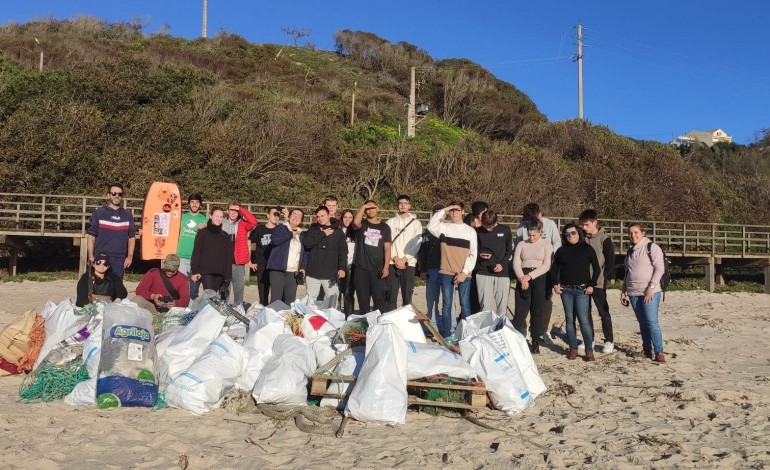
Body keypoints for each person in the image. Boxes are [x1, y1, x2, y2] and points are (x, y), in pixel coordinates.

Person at [551, 223, 600, 361]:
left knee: (583, 320)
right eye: (567, 234)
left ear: (579, 233)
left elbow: (597, 268)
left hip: (582, 290)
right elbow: (554, 269)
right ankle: (573, 349)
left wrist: (592, 285)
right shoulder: (561, 251)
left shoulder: (587, 249)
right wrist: (555, 284)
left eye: (573, 233)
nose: (570, 236)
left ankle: (589, 351)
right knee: (569, 319)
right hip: (566, 290)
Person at [427, 202, 478, 337]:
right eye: (452, 211)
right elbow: (431, 225)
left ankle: (466, 335)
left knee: (465, 305)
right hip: (446, 272)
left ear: (463, 212)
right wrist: (445, 209)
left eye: (457, 210)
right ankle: (446, 335)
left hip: (464, 273)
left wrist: (464, 272)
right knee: (447, 305)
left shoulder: (470, 231)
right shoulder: (444, 228)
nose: (454, 213)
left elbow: (473, 253)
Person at [515, 202, 561, 342]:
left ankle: (543, 330)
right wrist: (522, 276)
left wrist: (552, 259)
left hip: (545, 267)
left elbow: (557, 242)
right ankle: (523, 329)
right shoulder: (522, 227)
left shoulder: (550, 224)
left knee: (543, 302)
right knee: (523, 303)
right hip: (525, 267)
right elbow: (518, 245)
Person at [621, 222, 666, 362]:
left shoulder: (652, 247)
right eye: (630, 233)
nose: (633, 235)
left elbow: (660, 269)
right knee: (642, 322)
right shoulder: (630, 251)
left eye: (636, 232)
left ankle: (659, 352)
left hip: (650, 291)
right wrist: (624, 290)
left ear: (643, 233)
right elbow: (628, 272)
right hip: (633, 292)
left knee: (652, 322)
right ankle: (647, 350)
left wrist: (651, 288)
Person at [512, 220, 552, 353]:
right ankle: (517, 340)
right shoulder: (522, 244)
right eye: (529, 235)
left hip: (539, 277)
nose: (531, 238)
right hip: (523, 277)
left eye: (534, 235)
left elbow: (546, 265)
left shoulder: (547, 245)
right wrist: (522, 278)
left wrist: (530, 276)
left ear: (540, 231)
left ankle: (535, 340)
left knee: (537, 311)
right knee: (520, 312)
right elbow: (516, 263)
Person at [579, 209, 617, 353]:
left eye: (587, 224)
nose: (584, 227)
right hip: (583, 281)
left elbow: (610, 261)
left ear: (595, 222)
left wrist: (603, 278)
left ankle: (609, 340)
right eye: (582, 225)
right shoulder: (583, 237)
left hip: (598, 282)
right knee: (585, 313)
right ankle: (589, 338)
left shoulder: (605, 239)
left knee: (603, 312)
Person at [87, 183, 137, 278]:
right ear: (108, 195)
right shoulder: (98, 213)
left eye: (119, 194)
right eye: (114, 193)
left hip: (119, 257)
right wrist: (91, 256)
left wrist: (130, 256)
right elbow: (91, 236)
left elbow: (132, 237)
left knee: (116, 288)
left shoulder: (128, 215)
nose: (117, 196)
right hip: (101, 255)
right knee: (98, 286)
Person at [302, 206, 348, 307]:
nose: (320, 218)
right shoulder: (313, 229)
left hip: (330, 275)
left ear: (328, 215)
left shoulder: (338, 232)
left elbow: (343, 251)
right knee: (310, 302)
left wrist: (342, 268)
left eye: (322, 216)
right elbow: (307, 243)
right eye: (318, 216)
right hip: (313, 274)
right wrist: (323, 233)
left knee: (333, 302)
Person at [351, 200, 392, 313]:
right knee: (363, 302)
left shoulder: (385, 227)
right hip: (361, 269)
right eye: (368, 208)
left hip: (377, 269)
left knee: (379, 302)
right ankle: (365, 327)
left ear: (377, 208)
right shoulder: (362, 225)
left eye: (373, 207)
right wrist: (363, 206)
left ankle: (379, 327)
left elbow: (387, 248)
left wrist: (386, 267)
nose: (370, 210)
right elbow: (355, 223)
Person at [385, 195, 422, 311]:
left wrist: (404, 259)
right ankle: (391, 321)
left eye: (405, 203)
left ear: (409, 206)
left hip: (409, 264)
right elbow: (387, 243)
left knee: (407, 295)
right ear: (397, 205)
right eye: (400, 203)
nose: (403, 205)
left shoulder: (416, 223)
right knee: (391, 294)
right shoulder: (390, 222)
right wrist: (395, 258)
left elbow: (417, 244)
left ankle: (406, 322)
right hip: (392, 263)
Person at [475, 210, 513, 317]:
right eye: (485, 226)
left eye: (490, 226)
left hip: (502, 273)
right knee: (485, 307)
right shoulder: (477, 231)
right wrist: (480, 255)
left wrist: (503, 264)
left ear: (495, 222)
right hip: (483, 272)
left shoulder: (505, 230)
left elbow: (510, 251)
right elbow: (473, 250)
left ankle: (500, 331)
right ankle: (485, 332)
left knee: (502, 308)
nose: (487, 229)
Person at [190, 207, 234, 295]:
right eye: (216, 216)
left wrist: (228, 275)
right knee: (209, 295)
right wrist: (195, 270)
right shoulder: (202, 233)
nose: (219, 219)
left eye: (221, 217)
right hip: (206, 271)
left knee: (213, 297)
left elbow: (228, 257)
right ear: (210, 216)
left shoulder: (225, 236)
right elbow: (196, 253)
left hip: (220, 272)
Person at [222, 201, 258, 307]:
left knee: (239, 290)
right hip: (223, 262)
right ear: (227, 210)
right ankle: (223, 310)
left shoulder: (242, 223)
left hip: (237, 263)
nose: (234, 212)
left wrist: (241, 210)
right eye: (232, 210)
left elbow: (253, 222)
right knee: (224, 290)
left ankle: (238, 309)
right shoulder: (222, 222)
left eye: (236, 210)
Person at [418, 204, 447, 334]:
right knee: (432, 301)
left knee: (448, 302)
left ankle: (448, 328)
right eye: (436, 213)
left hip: (448, 270)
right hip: (432, 270)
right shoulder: (426, 233)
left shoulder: (450, 229)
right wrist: (422, 270)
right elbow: (422, 253)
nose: (439, 216)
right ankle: (433, 327)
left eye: (441, 213)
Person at [267, 208, 305, 304]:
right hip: (278, 269)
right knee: (276, 299)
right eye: (294, 214)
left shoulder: (302, 234)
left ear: (301, 220)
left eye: (299, 216)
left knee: (290, 300)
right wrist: (291, 234)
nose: (296, 217)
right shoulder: (280, 228)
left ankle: (286, 319)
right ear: (289, 217)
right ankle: (273, 318)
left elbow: (305, 253)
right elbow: (275, 241)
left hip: (293, 272)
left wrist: (303, 267)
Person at [177, 193, 207, 300]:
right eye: (192, 202)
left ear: (200, 205)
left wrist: (204, 229)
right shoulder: (182, 217)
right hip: (181, 255)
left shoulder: (204, 220)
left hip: (196, 258)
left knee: (194, 288)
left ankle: (192, 309)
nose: (194, 204)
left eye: (197, 202)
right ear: (189, 204)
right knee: (180, 285)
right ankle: (180, 307)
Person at [249, 206, 280, 306]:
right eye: (274, 214)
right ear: (267, 215)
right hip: (262, 264)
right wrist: (249, 261)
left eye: (278, 215)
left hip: (276, 266)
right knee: (263, 293)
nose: (276, 217)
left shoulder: (281, 230)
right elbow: (248, 242)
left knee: (277, 293)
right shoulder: (259, 229)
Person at [339, 209, 357, 316]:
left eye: (350, 217)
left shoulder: (356, 232)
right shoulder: (337, 230)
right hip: (337, 265)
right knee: (336, 293)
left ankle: (348, 316)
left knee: (348, 292)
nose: (347, 219)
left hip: (350, 266)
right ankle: (335, 315)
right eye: (345, 217)